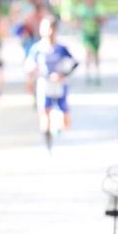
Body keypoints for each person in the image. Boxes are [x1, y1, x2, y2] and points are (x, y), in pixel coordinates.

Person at [25, 16, 78, 149]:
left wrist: (62, 75)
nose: (48, 32)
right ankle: (47, 140)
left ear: (55, 30)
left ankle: (57, 128)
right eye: (45, 28)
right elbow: (29, 64)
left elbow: (74, 63)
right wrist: (32, 73)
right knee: (44, 113)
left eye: (51, 28)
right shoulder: (37, 48)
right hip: (45, 84)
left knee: (66, 119)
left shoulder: (61, 48)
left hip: (60, 86)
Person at [74, 0, 105, 85]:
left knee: (95, 54)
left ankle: (97, 73)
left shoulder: (98, 8)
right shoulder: (82, 8)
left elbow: (102, 19)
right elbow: (78, 21)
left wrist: (97, 19)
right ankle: (88, 74)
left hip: (95, 33)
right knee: (88, 52)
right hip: (86, 33)